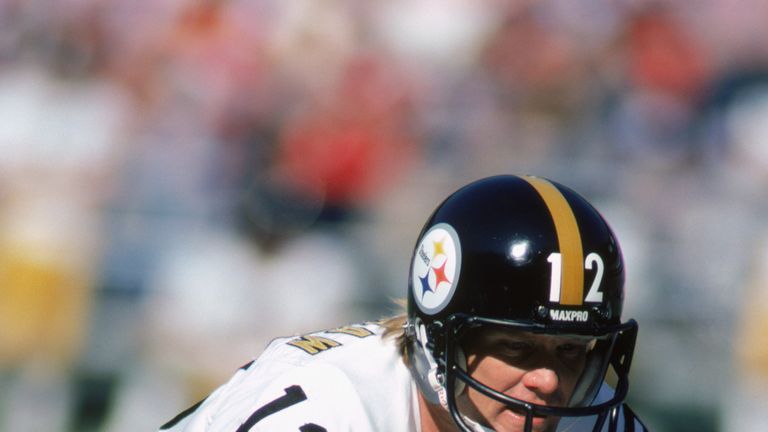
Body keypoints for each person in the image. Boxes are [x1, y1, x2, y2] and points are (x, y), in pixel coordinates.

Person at [158, 175, 648, 432]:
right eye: (518, 349)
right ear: (439, 341)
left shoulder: (594, 417)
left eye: (570, 351)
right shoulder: (327, 405)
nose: (549, 380)